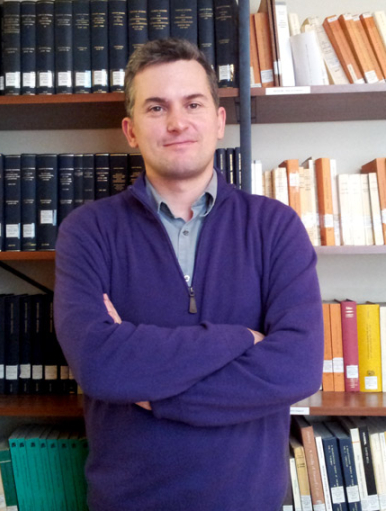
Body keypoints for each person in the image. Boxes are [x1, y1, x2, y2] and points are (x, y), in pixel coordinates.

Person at [54, 38, 324, 511]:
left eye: (193, 104)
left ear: (218, 121)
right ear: (130, 130)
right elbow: (99, 365)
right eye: (156, 107)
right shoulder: (88, 231)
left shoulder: (275, 226)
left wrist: (153, 394)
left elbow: (298, 367)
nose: (177, 122)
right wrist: (242, 338)